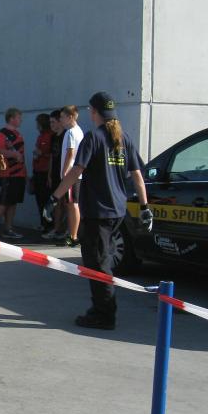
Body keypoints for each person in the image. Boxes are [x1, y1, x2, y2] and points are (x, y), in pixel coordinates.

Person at [46, 92, 152, 330]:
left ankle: (104, 314)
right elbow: (137, 175)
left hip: (98, 212)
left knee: (97, 265)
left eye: (90, 111)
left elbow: (75, 171)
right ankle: (101, 308)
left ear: (94, 112)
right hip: (117, 210)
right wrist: (145, 207)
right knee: (101, 260)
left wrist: (54, 197)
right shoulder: (123, 138)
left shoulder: (94, 138)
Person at [0, 108, 27, 239]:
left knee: (13, 203)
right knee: (2, 204)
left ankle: (8, 229)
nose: (21, 120)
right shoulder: (1, 134)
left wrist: (26, 173)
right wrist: (13, 154)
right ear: (11, 118)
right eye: (19, 117)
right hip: (7, 175)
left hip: (19, 174)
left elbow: (22, 155)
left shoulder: (18, 134)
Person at [59, 105, 84, 246]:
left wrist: (64, 171)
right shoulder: (78, 131)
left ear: (70, 117)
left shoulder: (71, 133)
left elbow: (70, 153)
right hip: (76, 174)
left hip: (71, 175)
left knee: (72, 204)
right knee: (72, 204)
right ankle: (72, 234)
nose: (61, 120)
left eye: (62, 117)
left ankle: (73, 236)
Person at [43, 110, 66, 240]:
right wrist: (49, 174)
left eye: (53, 122)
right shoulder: (53, 137)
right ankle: (57, 229)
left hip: (65, 174)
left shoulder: (66, 135)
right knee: (56, 203)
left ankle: (67, 230)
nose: (51, 125)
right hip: (55, 174)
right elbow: (52, 156)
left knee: (66, 203)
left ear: (60, 122)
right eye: (50, 122)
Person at [32, 113, 53, 231]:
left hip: (45, 172)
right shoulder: (41, 136)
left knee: (45, 199)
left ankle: (48, 225)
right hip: (38, 171)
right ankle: (43, 223)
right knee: (39, 199)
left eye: (38, 123)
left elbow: (52, 155)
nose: (36, 125)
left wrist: (42, 154)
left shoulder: (50, 136)